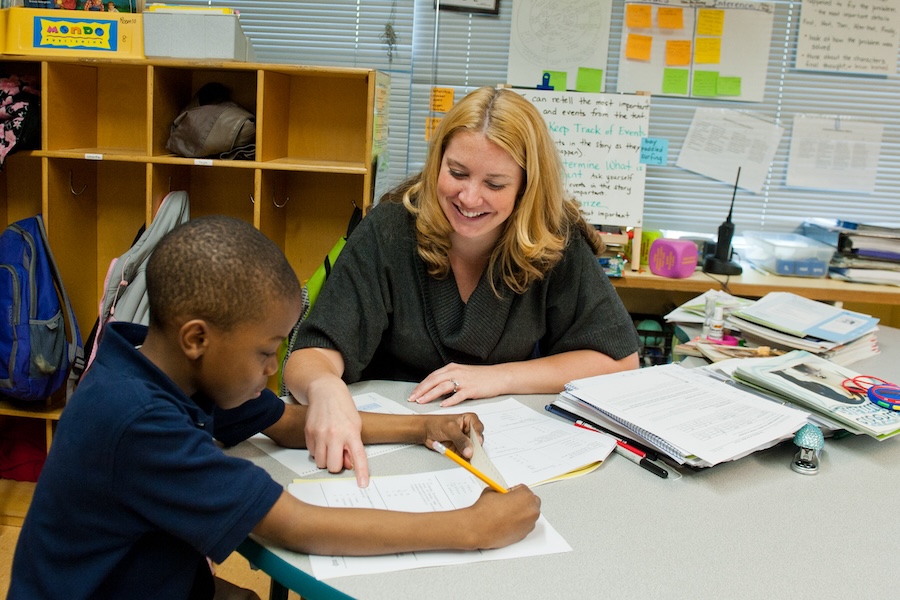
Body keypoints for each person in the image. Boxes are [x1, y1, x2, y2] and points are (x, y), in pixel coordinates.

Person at [8, 216, 540, 600]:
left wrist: (424, 426)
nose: (272, 372)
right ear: (199, 337)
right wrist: (471, 527)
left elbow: (288, 423)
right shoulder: (138, 421)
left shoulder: (164, 360)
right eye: (267, 353)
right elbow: (295, 525)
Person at [284, 85, 640, 487]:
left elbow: (619, 361)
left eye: (495, 183)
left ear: (526, 186)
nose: (470, 197)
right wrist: (325, 387)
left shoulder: (555, 241)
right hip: (389, 449)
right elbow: (307, 358)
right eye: (457, 173)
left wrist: (496, 377)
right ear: (438, 163)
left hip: (511, 455)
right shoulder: (389, 232)